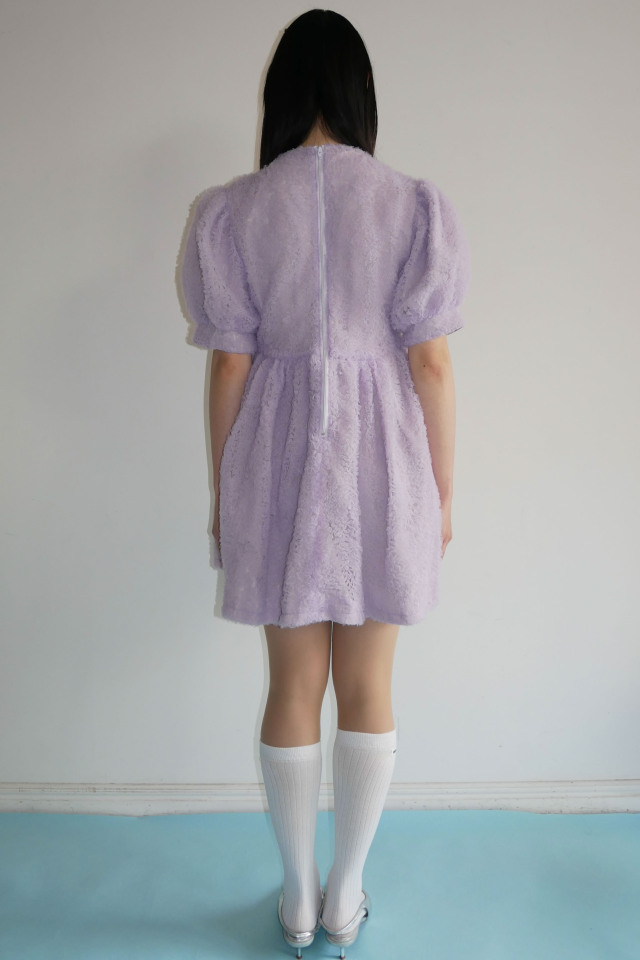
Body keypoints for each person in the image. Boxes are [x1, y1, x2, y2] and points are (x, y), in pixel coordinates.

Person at [178, 9, 471, 957]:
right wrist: (442, 492)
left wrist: (227, 489)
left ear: (281, 96)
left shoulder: (234, 211)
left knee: (293, 683)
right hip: (384, 461)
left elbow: (230, 365)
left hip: (277, 462)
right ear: (358, 95)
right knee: (369, 685)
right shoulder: (412, 205)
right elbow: (431, 364)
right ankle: (347, 896)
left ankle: (297, 898)